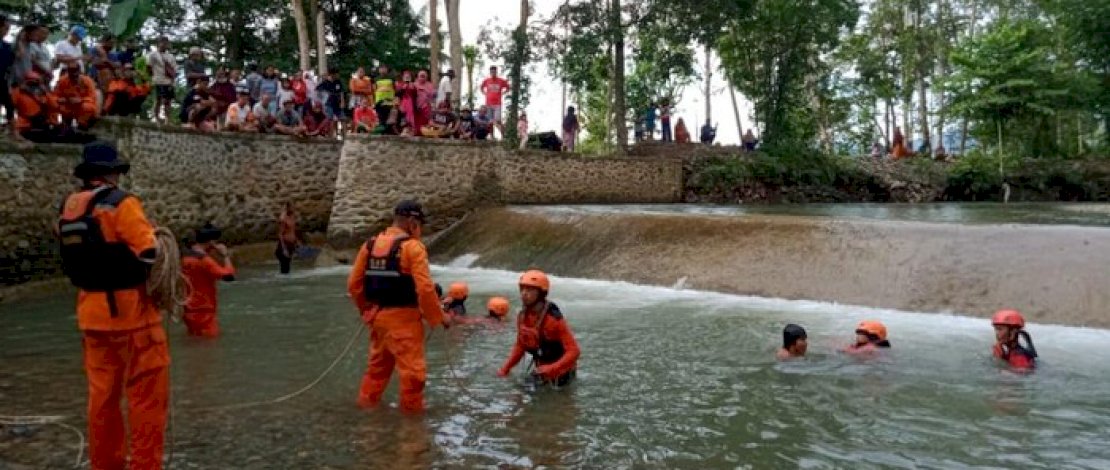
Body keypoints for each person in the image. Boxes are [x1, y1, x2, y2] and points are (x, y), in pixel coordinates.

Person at [56, 141, 169, 470]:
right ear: (113, 174)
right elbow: (149, 251)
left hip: (91, 316)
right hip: (133, 318)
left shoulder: (68, 207)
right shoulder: (122, 203)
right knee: (146, 400)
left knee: (102, 400)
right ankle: (145, 466)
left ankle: (105, 465)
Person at [346, 200, 448, 412]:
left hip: (379, 321)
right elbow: (426, 289)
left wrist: (367, 310)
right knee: (413, 376)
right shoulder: (413, 248)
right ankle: (411, 428)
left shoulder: (370, 245)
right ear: (412, 223)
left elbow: (354, 285)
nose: (420, 230)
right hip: (404, 322)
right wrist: (437, 318)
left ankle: (366, 415)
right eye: (420, 225)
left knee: (376, 372)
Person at [498, 270, 580, 386]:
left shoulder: (554, 320)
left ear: (541, 293)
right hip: (541, 369)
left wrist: (552, 368)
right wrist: (505, 369)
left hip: (562, 372)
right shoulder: (522, 316)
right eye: (522, 289)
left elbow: (574, 352)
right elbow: (521, 345)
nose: (524, 294)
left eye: (530, 290)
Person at [181, 224, 236, 337]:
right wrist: (225, 256)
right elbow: (228, 276)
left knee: (194, 342)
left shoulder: (184, 258)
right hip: (205, 311)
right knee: (210, 345)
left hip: (188, 309)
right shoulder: (204, 260)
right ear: (211, 242)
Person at [11, 71, 61, 142]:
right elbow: (10, 106)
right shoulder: (18, 92)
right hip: (25, 123)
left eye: (35, 83)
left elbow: (55, 106)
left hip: (43, 123)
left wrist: (45, 93)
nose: (32, 86)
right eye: (30, 83)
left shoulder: (43, 93)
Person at [55, 61, 100, 131]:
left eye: (75, 70)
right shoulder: (62, 81)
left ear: (79, 71)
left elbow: (92, 97)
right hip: (68, 106)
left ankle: (82, 125)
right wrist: (62, 100)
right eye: (71, 71)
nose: (73, 74)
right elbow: (55, 96)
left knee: (87, 107)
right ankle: (63, 124)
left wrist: (81, 100)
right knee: (54, 104)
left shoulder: (87, 81)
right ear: (68, 71)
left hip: (81, 106)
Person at [146, 37, 177, 123]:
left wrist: (172, 79)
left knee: (168, 101)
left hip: (168, 81)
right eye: (162, 42)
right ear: (158, 44)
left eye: (166, 43)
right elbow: (149, 67)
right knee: (159, 99)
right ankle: (156, 117)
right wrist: (153, 76)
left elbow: (174, 69)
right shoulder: (153, 55)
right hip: (158, 80)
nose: (164, 44)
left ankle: (168, 119)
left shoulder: (170, 56)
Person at [480, 66, 510, 139]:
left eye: (494, 71)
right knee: (490, 122)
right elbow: (481, 87)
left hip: (497, 104)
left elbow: (508, 87)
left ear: (496, 72)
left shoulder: (501, 81)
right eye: (492, 72)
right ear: (490, 72)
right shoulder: (487, 80)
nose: (493, 73)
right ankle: (492, 136)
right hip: (488, 103)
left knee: (497, 121)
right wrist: (484, 93)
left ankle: (504, 135)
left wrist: (503, 93)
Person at [0, 15, 15, 139]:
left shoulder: (6, 46)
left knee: (9, 105)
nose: (7, 31)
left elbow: (10, 64)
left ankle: (13, 132)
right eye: (5, 28)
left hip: (2, 80)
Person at [276, 202, 300, 274]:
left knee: (288, 266)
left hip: (291, 244)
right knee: (284, 267)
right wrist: (284, 249)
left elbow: (293, 230)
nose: (294, 209)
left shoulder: (292, 216)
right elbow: (280, 234)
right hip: (284, 245)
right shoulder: (283, 218)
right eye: (292, 207)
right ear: (288, 208)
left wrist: (296, 242)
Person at [414, 70, 437, 134]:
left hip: (426, 108)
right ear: (418, 77)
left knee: (426, 126)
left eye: (424, 76)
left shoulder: (430, 85)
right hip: (416, 108)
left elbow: (433, 98)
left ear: (427, 77)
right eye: (421, 76)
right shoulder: (414, 85)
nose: (422, 77)